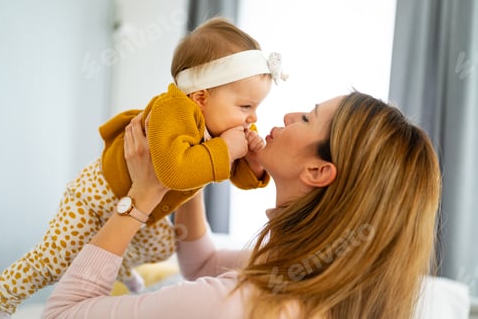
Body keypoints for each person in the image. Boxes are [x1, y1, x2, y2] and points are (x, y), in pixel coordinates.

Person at [0, 17, 287, 316]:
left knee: (165, 244)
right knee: (53, 260)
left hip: (142, 207)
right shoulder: (173, 109)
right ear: (202, 97)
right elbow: (173, 173)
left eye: (256, 107)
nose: (253, 118)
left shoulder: (224, 126)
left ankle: (121, 268)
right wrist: (226, 149)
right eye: (246, 106)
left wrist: (253, 163)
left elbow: (235, 175)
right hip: (95, 198)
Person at [41, 91, 442, 319]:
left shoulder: (238, 305)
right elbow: (202, 264)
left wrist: (142, 196)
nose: (288, 114)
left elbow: (60, 314)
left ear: (318, 172)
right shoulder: (313, 281)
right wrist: (186, 172)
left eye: (306, 118)